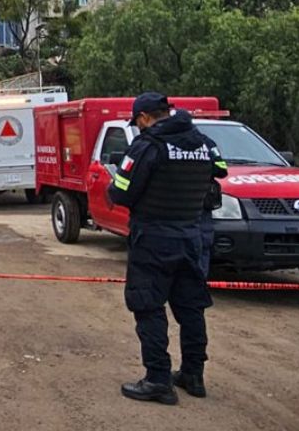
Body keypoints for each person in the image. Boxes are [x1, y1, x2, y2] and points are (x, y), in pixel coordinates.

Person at [108, 93, 228, 405]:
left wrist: (117, 184)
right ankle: (193, 374)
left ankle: (158, 380)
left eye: (138, 122)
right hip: (192, 236)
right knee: (190, 308)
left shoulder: (148, 146)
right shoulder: (202, 142)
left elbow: (121, 192)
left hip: (153, 239)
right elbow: (220, 170)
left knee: (148, 306)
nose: (138, 127)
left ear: (145, 117)